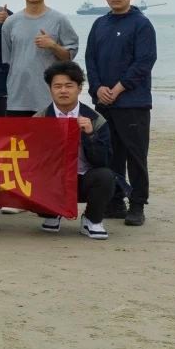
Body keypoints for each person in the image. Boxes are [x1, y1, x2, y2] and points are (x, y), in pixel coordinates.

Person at [85, 0, 157, 227]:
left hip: (133, 103)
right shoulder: (99, 24)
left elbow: (144, 62)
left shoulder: (141, 24)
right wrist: (97, 88)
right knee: (109, 155)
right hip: (104, 102)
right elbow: (90, 60)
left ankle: (137, 204)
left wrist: (119, 88)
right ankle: (115, 202)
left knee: (135, 156)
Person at [34, 61, 115, 240]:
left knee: (106, 176)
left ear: (79, 88)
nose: (63, 91)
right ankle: (52, 213)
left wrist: (90, 135)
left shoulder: (95, 119)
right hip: (54, 180)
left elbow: (103, 160)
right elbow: (31, 159)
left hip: (84, 179)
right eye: (57, 86)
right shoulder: (39, 119)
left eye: (69, 86)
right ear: (50, 89)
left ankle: (92, 219)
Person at [1, 0, 78, 117]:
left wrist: (53, 46)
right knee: (17, 134)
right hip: (17, 99)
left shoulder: (59, 20)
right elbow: (8, 61)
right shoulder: (10, 22)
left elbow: (69, 57)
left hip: (49, 99)